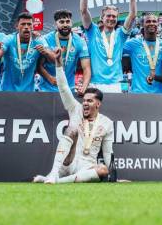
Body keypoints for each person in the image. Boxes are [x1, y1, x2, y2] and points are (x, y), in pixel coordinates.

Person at [33, 48, 113, 184]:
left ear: (98, 104)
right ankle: (53, 174)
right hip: (68, 161)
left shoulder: (107, 123)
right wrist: (58, 64)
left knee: (104, 170)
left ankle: (57, 181)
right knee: (72, 129)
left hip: (87, 166)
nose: (85, 103)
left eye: (90, 101)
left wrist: (114, 178)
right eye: (85, 100)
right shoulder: (75, 108)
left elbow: (107, 152)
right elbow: (63, 88)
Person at [80, 0, 139, 93]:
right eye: (108, 16)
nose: (111, 18)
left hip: (115, 84)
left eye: (114, 16)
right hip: (95, 83)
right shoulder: (93, 32)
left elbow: (132, 15)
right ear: (102, 17)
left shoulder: (120, 35)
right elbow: (84, 11)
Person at [0, 12, 54, 92]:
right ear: (17, 26)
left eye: (29, 24)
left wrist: (46, 52)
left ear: (33, 26)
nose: (26, 27)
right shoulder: (9, 39)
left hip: (29, 91)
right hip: (7, 91)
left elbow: (54, 60)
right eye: (23, 24)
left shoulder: (38, 40)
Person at [37, 9, 91, 95]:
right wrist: (50, 78)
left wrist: (84, 87)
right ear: (56, 24)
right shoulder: (46, 39)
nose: (65, 25)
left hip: (69, 90)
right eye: (61, 22)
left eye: (67, 21)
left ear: (71, 23)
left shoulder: (79, 41)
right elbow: (39, 66)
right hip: (46, 89)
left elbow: (86, 68)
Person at [124, 12, 162, 93]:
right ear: (142, 25)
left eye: (154, 21)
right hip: (137, 93)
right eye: (148, 21)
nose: (151, 23)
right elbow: (116, 49)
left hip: (159, 94)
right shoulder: (133, 44)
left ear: (158, 25)